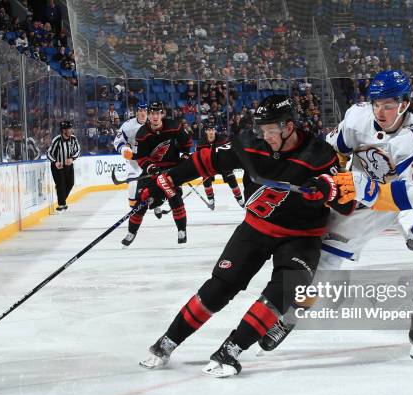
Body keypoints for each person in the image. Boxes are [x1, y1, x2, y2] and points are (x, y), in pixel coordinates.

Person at [138, 95, 354, 377]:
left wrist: (328, 188)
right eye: (261, 129)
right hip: (256, 228)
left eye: (271, 130)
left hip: (302, 235)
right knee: (219, 288)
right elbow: (206, 161)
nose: (265, 135)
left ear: (289, 126)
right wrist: (164, 181)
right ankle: (167, 342)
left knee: (286, 288)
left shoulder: (320, 154)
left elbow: (347, 203)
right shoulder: (251, 144)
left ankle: (231, 350)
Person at [261, 70, 413, 363]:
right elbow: (331, 152)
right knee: (324, 266)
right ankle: (287, 319)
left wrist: (361, 186)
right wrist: (331, 179)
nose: (380, 111)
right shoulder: (357, 118)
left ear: (404, 103)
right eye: (376, 103)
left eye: (388, 104)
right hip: (359, 203)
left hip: (401, 199)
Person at [123, 101, 192, 246]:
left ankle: (182, 230)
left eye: (158, 113)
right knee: (141, 200)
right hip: (152, 170)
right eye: (152, 113)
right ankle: (131, 232)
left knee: (174, 196)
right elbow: (141, 157)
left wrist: (185, 156)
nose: (155, 116)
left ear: (162, 114)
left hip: (171, 170)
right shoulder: (142, 133)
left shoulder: (174, 126)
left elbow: (186, 143)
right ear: (148, 115)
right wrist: (151, 167)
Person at [113, 102, 165, 220]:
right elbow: (117, 142)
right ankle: (133, 208)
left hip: (148, 158)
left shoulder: (154, 124)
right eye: (140, 111)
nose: (142, 113)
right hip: (133, 159)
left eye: (145, 111)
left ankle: (155, 204)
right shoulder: (128, 125)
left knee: (156, 181)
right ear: (137, 112)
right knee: (133, 181)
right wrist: (123, 149)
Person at [198, 120, 244, 209]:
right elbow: (198, 157)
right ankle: (211, 199)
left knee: (231, 177)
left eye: (212, 130)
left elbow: (230, 152)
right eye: (209, 130)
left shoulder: (223, 139)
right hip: (209, 165)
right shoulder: (201, 142)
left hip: (223, 164)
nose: (211, 132)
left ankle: (239, 198)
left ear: (215, 130)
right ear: (206, 131)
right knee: (206, 179)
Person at [47, 120, 80, 212]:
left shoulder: (73, 138)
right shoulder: (57, 140)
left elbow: (78, 150)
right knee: (61, 184)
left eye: (71, 128)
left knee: (71, 183)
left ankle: (62, 201)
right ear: (64, 130)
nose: (71, 130)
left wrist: (72, 158)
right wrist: (55, 162)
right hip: (58, 167)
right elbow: (49, 153)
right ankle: (61, 204)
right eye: (69, 129)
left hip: (69, 166)